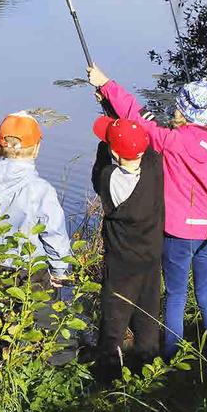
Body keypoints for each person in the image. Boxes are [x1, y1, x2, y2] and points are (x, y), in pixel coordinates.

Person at [88, 67, 207, 361]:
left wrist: (106, 85)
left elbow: (135, 116)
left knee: (176, 296)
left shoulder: (170, 141)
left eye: (178, 106)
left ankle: (172, 353)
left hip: (177, 234)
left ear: (183, 110)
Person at [90, 111, 164, 381]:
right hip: (151, 260)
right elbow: (150, 147)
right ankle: (148, 367)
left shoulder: (108, 178)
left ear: (114, 154)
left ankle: (108, 372)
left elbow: (98, 172)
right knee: (148, 315)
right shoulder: (156, 168)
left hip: (121, 266)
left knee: (114, 320)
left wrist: (103, 146)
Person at [0, 110, 73, 285]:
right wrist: (60, 271)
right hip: (30, 272)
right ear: (37, 149)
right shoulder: (41, 190)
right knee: (35, 312)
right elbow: (54, 234)